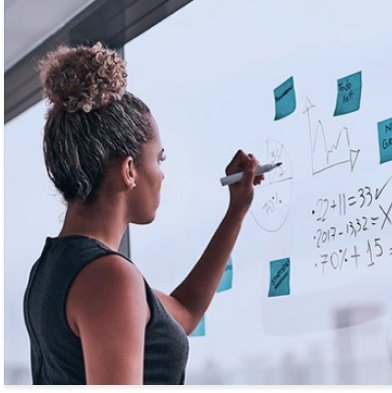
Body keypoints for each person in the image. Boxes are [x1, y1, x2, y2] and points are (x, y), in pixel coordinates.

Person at [23, 42, 264, 385]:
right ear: (130, 170)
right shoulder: (108, 278)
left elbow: (185, 312)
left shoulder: (51, 268)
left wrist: (236, 210)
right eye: (159, 159)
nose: (162, 174)